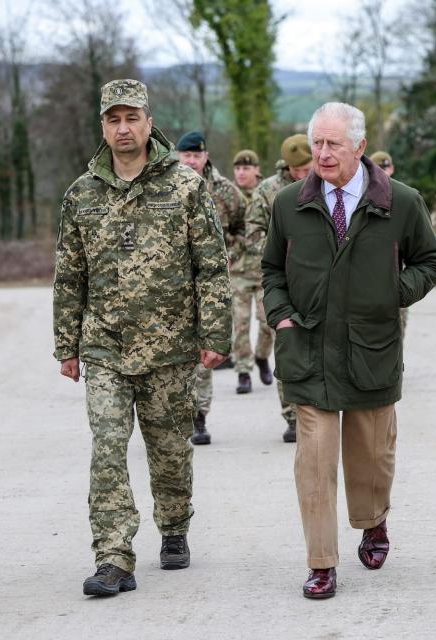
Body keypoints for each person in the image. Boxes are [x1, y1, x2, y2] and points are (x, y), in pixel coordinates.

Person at [261, 103, 436, 599]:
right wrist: (280, 315)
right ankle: (321, 562)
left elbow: (431, 260)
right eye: (316, 142)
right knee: (314, 462)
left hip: (372, 348)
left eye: (333, 144)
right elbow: (271, 270)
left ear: (360, 148)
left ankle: (373, 521)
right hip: (308, 348)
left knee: (371, 458)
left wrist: (392, 291)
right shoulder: (287, 204)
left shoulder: (401, 202)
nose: (321, 153)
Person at [54, 80, 231, 597]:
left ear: (149, 122)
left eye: (132, 118)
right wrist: (67, 344)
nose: (123, 128)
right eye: (113, 120)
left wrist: (214, 332)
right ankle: (113, 555)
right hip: (104, 345)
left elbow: (211, 266)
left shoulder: (184, 186)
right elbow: (69, 275)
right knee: (108, 446)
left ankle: (174, 526)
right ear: (103, 127)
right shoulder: (81, 193)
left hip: (171, 345)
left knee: (170, 448)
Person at [175, 131, 246, 441]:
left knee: (205, 353)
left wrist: (231, 255)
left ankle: (199, 416)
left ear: (205, 157)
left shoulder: (226, 191)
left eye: (196, 156)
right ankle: (173, 417)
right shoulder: (163, 187)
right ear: (178, 156)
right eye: (186, 156)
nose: (191, 161)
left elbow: (246, 225)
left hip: (211, 284)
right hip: (172, 284)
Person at [244, 134, 313, 443]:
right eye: (298, 169)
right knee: (285, 342)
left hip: (317, 280)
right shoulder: (267, 190)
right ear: (287, 166)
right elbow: (253, 232)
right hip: (282, 280)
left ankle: (321, 407)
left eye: (308, 166)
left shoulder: (327, 183)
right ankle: (292, 415)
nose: (304, 173)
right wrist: (277, 252)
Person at [229, 148, 273, 396]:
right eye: (237, 168)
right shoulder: (230, 196)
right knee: (241, 324)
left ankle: (262, 356)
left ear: (256, 170)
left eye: (246, 168)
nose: (241, 172)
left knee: (268, 322)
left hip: (264, 271)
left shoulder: (265, 193)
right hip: (238, 271)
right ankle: (243, 371)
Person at [370, 150, 409, 343]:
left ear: (392, 169)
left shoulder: (404, 198)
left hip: (395, 279)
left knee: (397, 335)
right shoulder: (363, 196)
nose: (383, 172)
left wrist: (406, 285)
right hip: (368, 281)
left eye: (385, 167)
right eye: (378, 168)